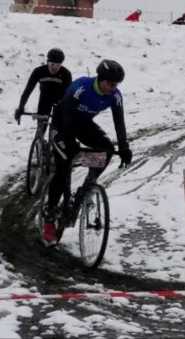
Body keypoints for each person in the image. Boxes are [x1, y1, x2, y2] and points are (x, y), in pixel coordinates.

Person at [41, 59, 133, 244]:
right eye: (111, 83)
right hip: (62, 123)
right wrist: (69, 140)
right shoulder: (81, 86)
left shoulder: (115, 96)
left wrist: (124, 147)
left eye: (117, 85)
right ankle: (49, 217)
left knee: (107, 149)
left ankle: (86, 188)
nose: (114, 88)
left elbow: (119, 122)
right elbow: (65, 112)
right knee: (64, 164)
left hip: (83, 124)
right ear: (101, 79)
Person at [14, 48, 72, 137]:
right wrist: (21, 107)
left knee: (58, 130)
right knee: (41, 128)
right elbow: (27, 91)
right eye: (52, 64)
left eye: (58, 65)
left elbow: (69, 95)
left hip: (60, 99)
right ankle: (39, 141)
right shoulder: (39, 71)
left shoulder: (66, 74)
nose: (55, 68)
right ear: (48, 62)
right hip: (45, 99)